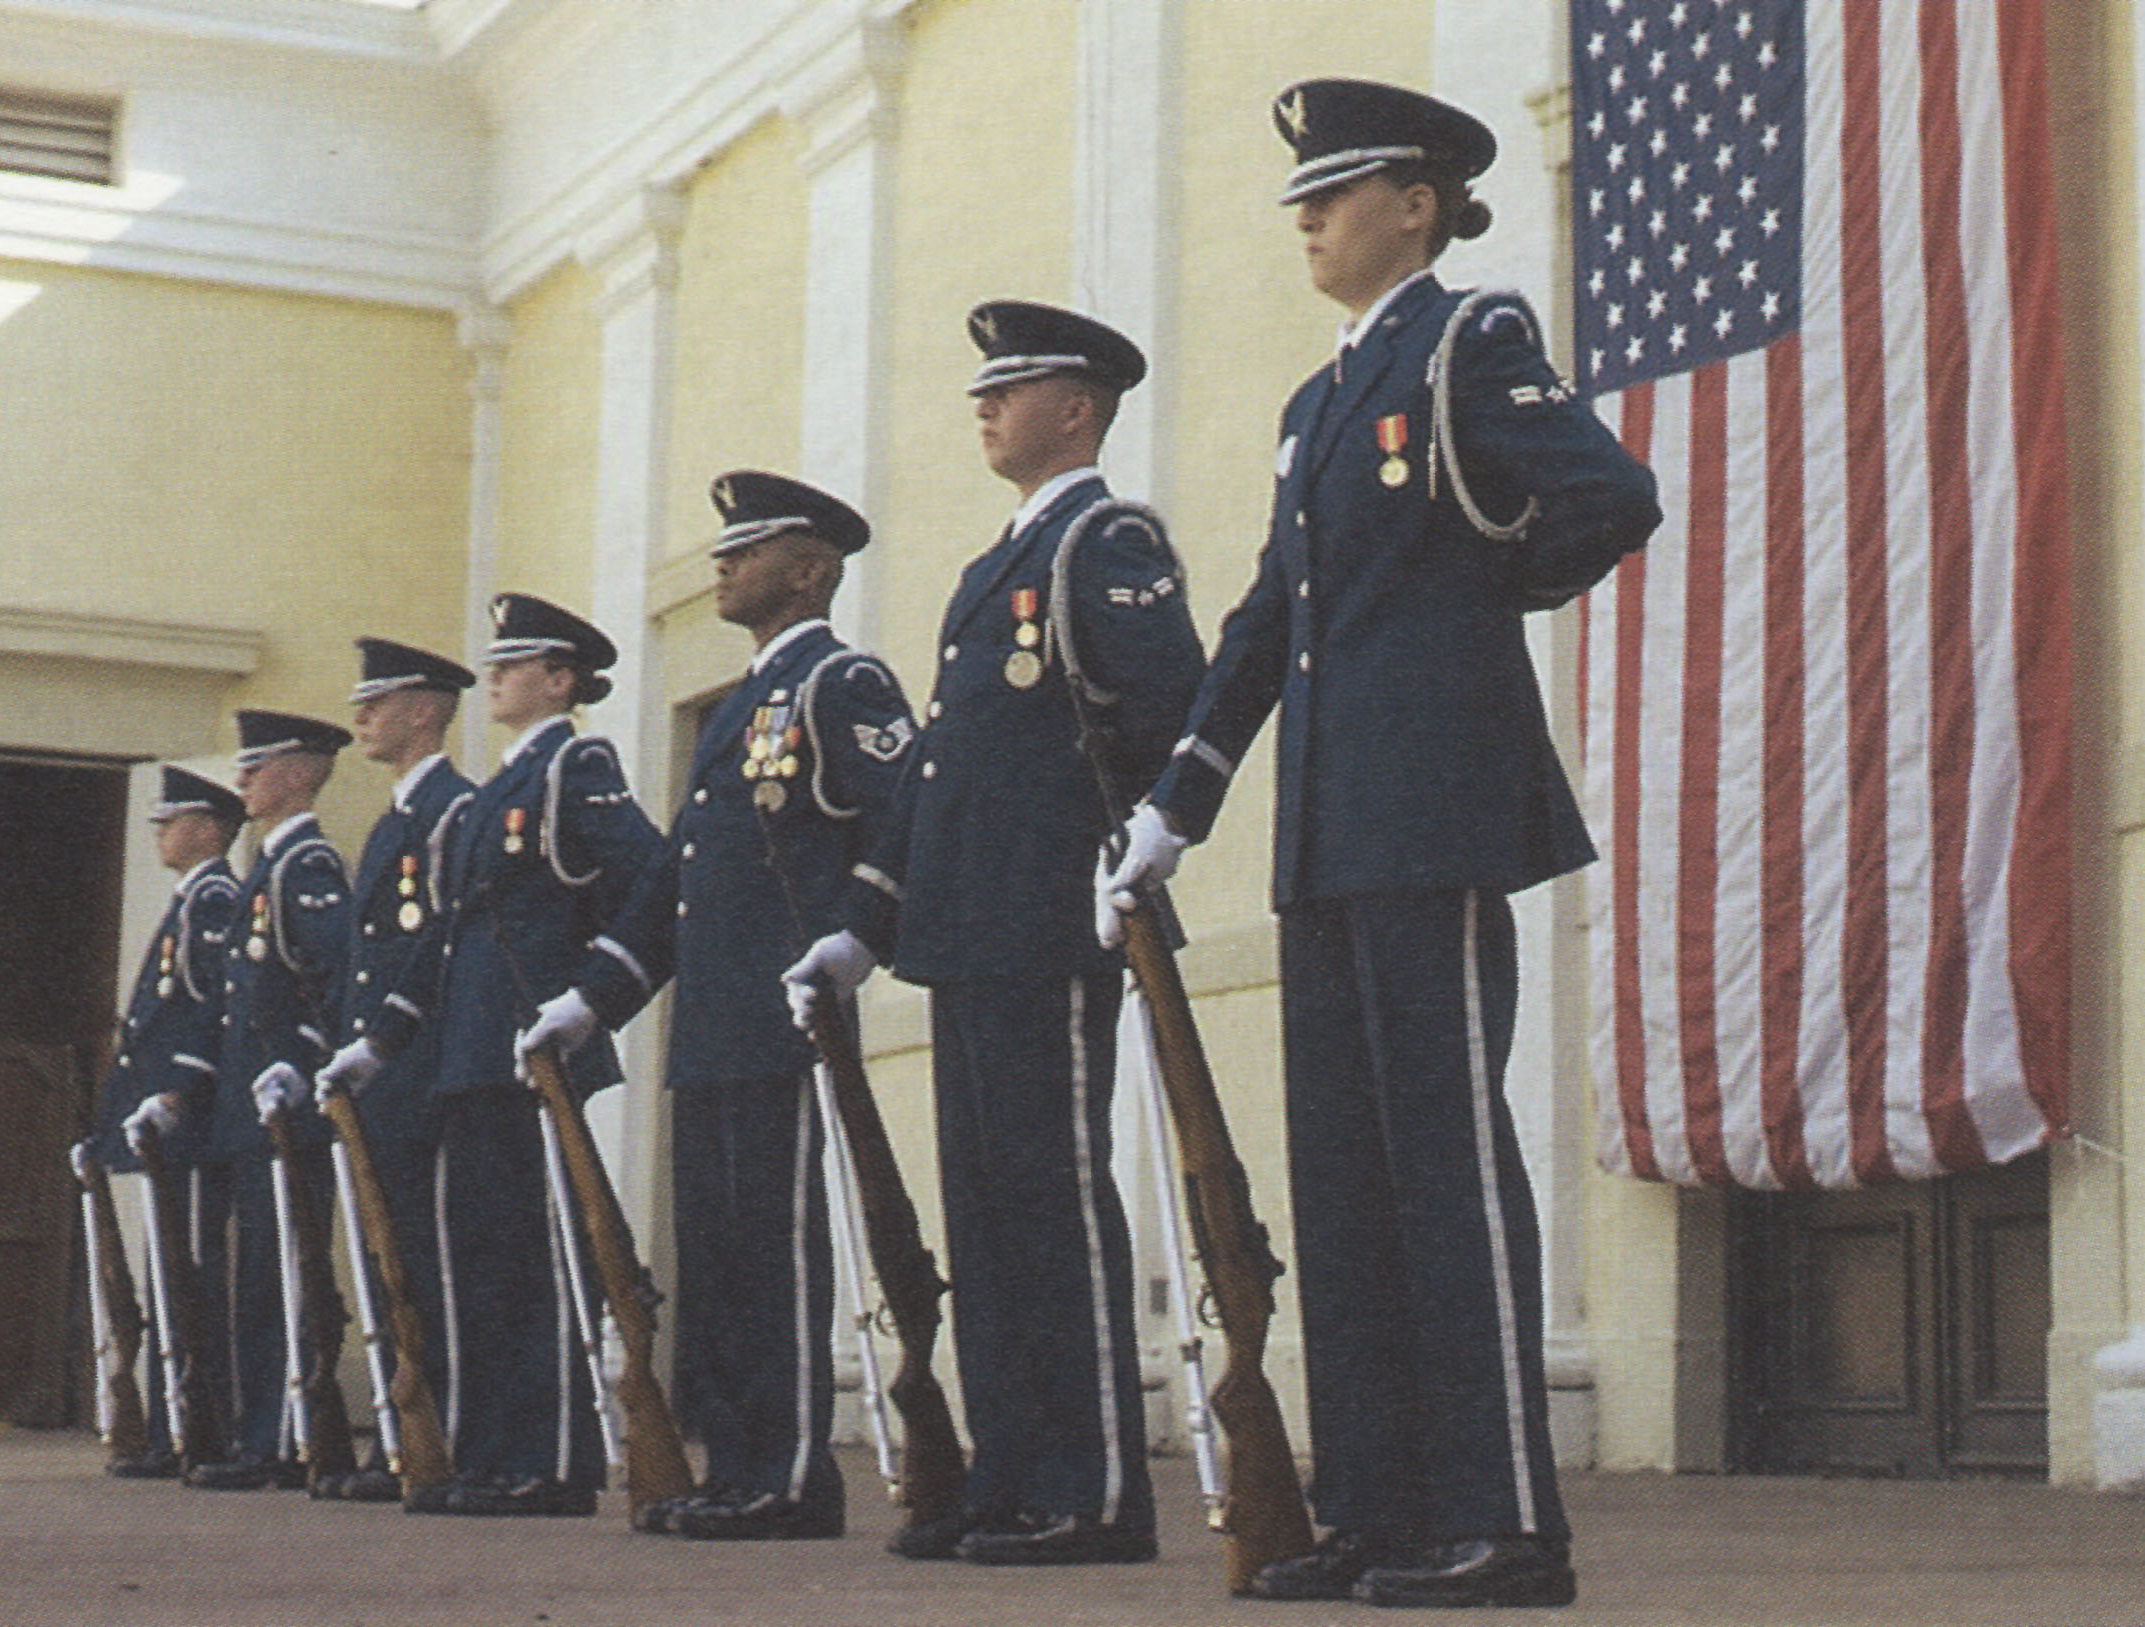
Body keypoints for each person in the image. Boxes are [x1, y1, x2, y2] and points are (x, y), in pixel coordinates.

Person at [1098, 79, 1663, 1608]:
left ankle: (1502, 1520)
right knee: (1343, 1180)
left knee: (1447, 1161)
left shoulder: (1465, 337)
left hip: (1436, 804)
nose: (1308, 216)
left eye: (1335, 192)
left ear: (1414, 204)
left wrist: (1479, 600)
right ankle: (1380, 1507)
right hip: (1327, 829)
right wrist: (1175, 803)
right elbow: (1267, 620)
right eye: (1302, 195)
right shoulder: (1313, 405)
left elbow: (1609, 494)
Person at [788, 302, 1204, 1565]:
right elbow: (934, 774)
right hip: (967, 930)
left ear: (1072, 408)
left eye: (1008, 386)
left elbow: (1171, 705)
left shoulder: (1105, 538)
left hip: (1051, 916)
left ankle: (1090, 1493)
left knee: (1052, 1201)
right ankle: (1013, 1476)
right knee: (985, 1213)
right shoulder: (990, 572)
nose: (984, 404)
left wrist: (1120, 850)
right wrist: (866, 923)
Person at [520, 473, 914, 1541]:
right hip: (710, 1025)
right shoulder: (740, 706)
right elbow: (670, 889)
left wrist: (858, 934)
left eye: (750, 547)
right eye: (724, 547)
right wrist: (591, 1000)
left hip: (790, 1015)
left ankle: (787, 1476)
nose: (723, 562)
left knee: (775, 1251)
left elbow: (901, 818)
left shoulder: (844, 683)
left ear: (811, 567)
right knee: (724, 1254)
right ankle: (736, 1465)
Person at [319, 593, 662, 1517]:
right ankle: (493, 1448)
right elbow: (442, 942)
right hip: (470, 1055)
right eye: (497, 662)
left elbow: (650, 881)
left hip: (535, 1050)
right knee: (484, 1263)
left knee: (541, 1262)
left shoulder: (575, 763)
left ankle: (552, 1459)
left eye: (516, 664)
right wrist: (381, 1042)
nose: (496, 675)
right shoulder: (495, 794)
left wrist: (592, 997)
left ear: (560, 680)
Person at [310, 637, 478, 1502]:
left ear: (423, 708)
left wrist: (383, 1040)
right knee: (386, 1257)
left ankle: (435, 1434)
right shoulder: (392, 823)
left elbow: (442, 944)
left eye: (376, 702)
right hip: (376, 1077)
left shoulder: (454, 810)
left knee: (424, 1260)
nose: (360, 717)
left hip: (419, 1068)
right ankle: (398, 1433)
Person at [186, 710, 356, 1492]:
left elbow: (335, 986)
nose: (243, 779)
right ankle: (263, 1430)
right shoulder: (266, 867)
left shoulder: (306, 866)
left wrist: (301, 1065)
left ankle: (286, 1435)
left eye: (258, 765)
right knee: (255, 1274)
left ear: (298, 771)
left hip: (286, 1111)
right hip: (249, 1114)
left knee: (282, 1274)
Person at [84, 766, 245, 1478]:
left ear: (209, 828)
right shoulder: (189, 900)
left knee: (189, 1275)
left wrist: (179, 1089)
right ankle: (172, 1423)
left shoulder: (213, 900)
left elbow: (209, 1009)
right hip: (158, 1125)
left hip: (188, 1123)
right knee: (167, 1275)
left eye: (172, 818)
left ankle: (197, 1424)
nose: (159, 831)